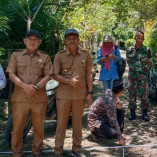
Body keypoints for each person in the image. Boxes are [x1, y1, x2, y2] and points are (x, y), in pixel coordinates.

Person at [6, 30, 53, 157]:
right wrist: (24, 86)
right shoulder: (16, 55)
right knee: (17, 128)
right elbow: (11, 74)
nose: (32, 41)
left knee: (38, 128)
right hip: (20, 98)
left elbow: (49, 75)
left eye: (35, 39)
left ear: (40, 42)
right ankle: (17, 153)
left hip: (39, 98)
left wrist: (37, 87)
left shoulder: (45, 57)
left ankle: (37, 152)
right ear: (24, 40)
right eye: (30, 39)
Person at [53, 28, 94, 157]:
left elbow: (89, 75)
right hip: (63, 94)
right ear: (65, 41)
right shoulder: (59, 56)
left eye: (74, 37)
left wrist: (90, 93)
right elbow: (54, 75)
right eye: (69, 38)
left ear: (78, 39)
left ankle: (77, 149)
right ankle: (58, 151)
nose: (72, 40)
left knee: (77, 123)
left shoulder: (86, 55)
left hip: (80, 94)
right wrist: (67, 81)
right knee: (61, 123)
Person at [88, 78, 125, 145]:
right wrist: (120, 138)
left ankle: (120, 133)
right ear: (121, 91)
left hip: (104, 117)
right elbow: (113, 120)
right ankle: (95, 131)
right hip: (95, 120)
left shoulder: (110, 91)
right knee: (112, 133)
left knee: (121, 109)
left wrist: (118, 103)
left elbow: (116, 99)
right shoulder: (109, 101)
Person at [126, 30, 152, 122]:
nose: (140, 40)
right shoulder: (129, 49)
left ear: (144, 39)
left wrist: (143, 70)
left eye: (141, 38)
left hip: (143, 76)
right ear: (135, 38)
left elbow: (149, 62)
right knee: (131, 94)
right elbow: (128, 61)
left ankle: (144, 113)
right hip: (132, 76)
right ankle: (132, 113)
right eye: (138, 38)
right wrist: (134, 69)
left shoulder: (147, 50)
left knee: (144, 94)